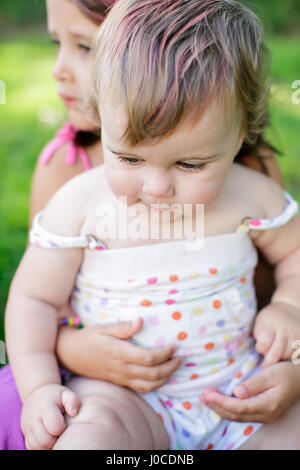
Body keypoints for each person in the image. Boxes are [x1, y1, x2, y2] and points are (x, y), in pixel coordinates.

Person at [4, 0, 300, 451]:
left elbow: (296, 253)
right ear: (102, 120)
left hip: (240, 386)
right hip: (123, 399)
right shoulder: (79, 204)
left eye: (189, 163)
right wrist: (40, 388)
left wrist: (290, 308)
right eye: (129, 158)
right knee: (88, 438)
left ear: (240, 135)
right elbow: (33, 299)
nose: (157, 186)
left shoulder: (250, 194)